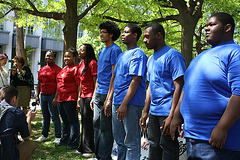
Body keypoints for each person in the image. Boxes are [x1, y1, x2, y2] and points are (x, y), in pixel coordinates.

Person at [170, 12, 240, 160]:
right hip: (192, 137)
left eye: (212, 25)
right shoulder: (199, 57)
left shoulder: (235, 53)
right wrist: (176, 116)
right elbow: (185, 89)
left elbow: (238, 94)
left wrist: (222, 127)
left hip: (219, 142)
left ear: (227, 28)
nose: (206, 29)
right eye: (206, 25)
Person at [139, 23, 186, 160]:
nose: (144, 40)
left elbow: (180, 86)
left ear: (159, 35)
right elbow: (150, 87)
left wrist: (172, 116)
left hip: (167, 112)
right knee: (153, 146)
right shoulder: (150, 59)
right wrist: (145, 112)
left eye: (147, 37)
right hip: (154, 113)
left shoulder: (173, 56)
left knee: (168, 148)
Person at [105, 23, 148, 160]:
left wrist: (124, 104)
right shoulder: (122, 55)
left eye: (126, 32)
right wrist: (109, 100)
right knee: (119, 140)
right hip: (117, 102)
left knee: (131, 141)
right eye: (123, 32)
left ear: (135, 35)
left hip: (131, 104)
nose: (122, 34)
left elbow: (135, 81)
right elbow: (115, 78)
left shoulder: (138, 54)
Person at [90, 21, 122, 160]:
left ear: (111, 34)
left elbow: (114, 76)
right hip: (98, 93)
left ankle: (104, 157)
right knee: (96, 125)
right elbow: (100, 75)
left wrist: (109, 98)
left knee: (106, 129)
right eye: (100, 32)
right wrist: (93, 96)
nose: (101, 35)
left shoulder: (116, 50)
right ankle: (97, 155)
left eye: (103, 32)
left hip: (107, 94)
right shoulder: (102, 51)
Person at [0, 85, 36, 160]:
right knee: (30, 144)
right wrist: (29, 119)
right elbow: (26, 137)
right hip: (6, 154)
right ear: (14, 99)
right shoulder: (16, 112)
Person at [35, 50, 62, 144]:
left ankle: (58, 136)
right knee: (45, 116)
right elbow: (39, 83)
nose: (48, 58)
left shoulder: (57, 69)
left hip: (52, 95)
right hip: (43, 95)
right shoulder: (42, 69)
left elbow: (59, 85)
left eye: (50, 56)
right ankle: (44, 135)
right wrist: (37, 95)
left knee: (54, 116)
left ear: (54, 58)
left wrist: (56, 97)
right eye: (46, 56)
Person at [75, 44, 97, 158]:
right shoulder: (80, 64)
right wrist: (78, 98)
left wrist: (93, 97)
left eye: (82, 50)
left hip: (90, 95)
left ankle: (90, 148)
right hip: (83, 95)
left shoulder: (93, 63)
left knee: (88, 122)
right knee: (83, 121)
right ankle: (82, 146)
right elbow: (80, 83)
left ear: (88, 52)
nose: (79, 52)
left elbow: (95, 81)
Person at [56, 48, 80, 150]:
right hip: (61, 98)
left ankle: (73, 142)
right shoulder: (63, 69)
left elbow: (79, 85)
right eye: (65, 56)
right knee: (64, 121)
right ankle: (64, 139)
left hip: (70, 98)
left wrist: (78, 100)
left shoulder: (76, 68)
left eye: (69, 56)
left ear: (74, 58)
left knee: (73, 121)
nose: (66, 58)